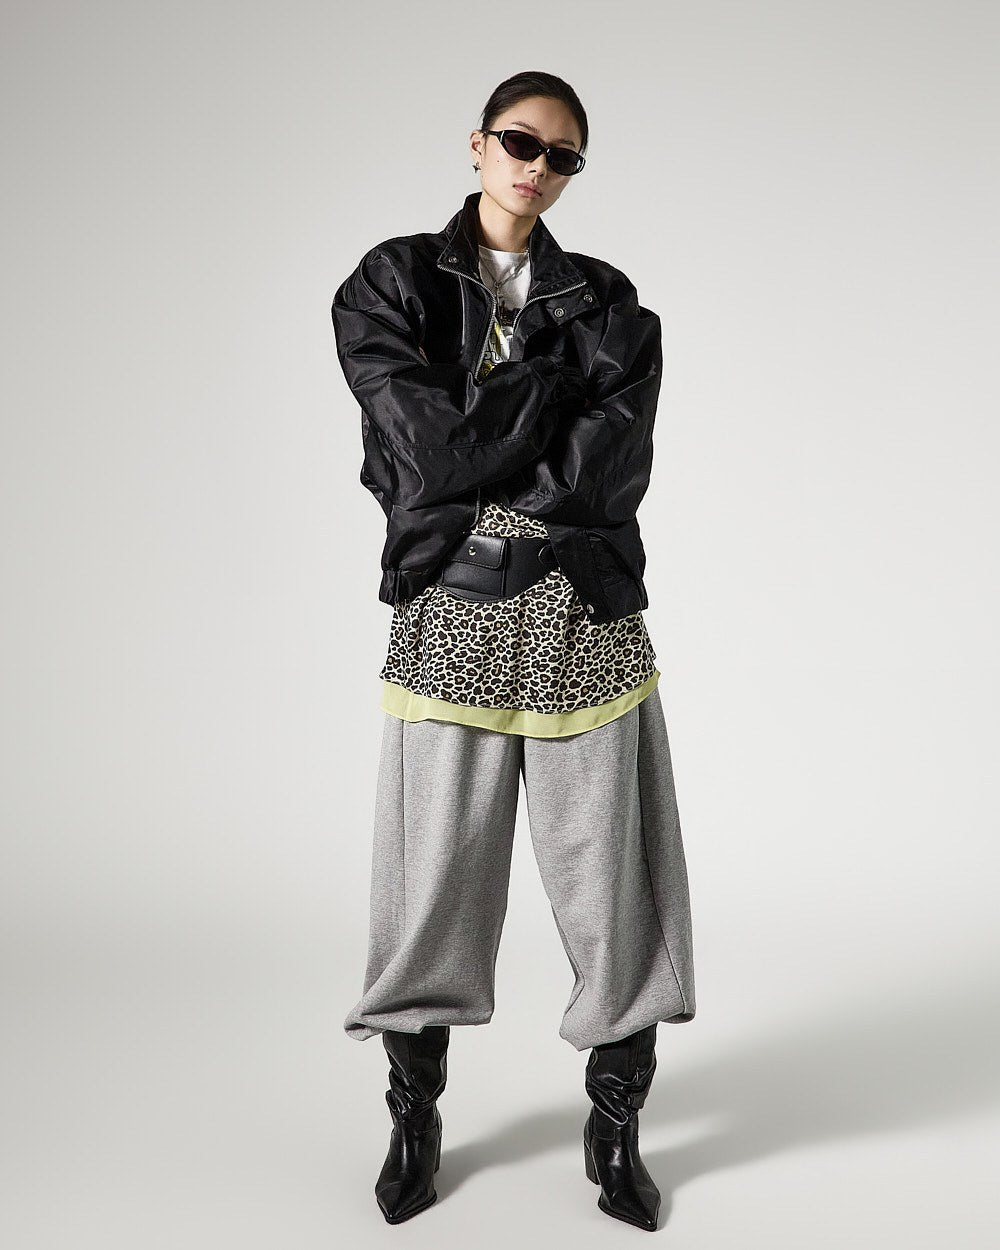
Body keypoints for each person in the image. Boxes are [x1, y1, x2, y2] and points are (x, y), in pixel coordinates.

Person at [330, 70, 696, 1232]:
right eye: (521, 142)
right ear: (478, 144)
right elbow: (420, 455)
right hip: (451, 612)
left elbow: (603, 478)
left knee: (615, 891)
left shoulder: (608, 299)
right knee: (429, 887)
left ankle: (615, 1126)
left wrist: (482, 424)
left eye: (562, 155)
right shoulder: (390, 283)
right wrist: (545, 394)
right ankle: (414, 1117)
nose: (538, 166)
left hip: (583, 613)